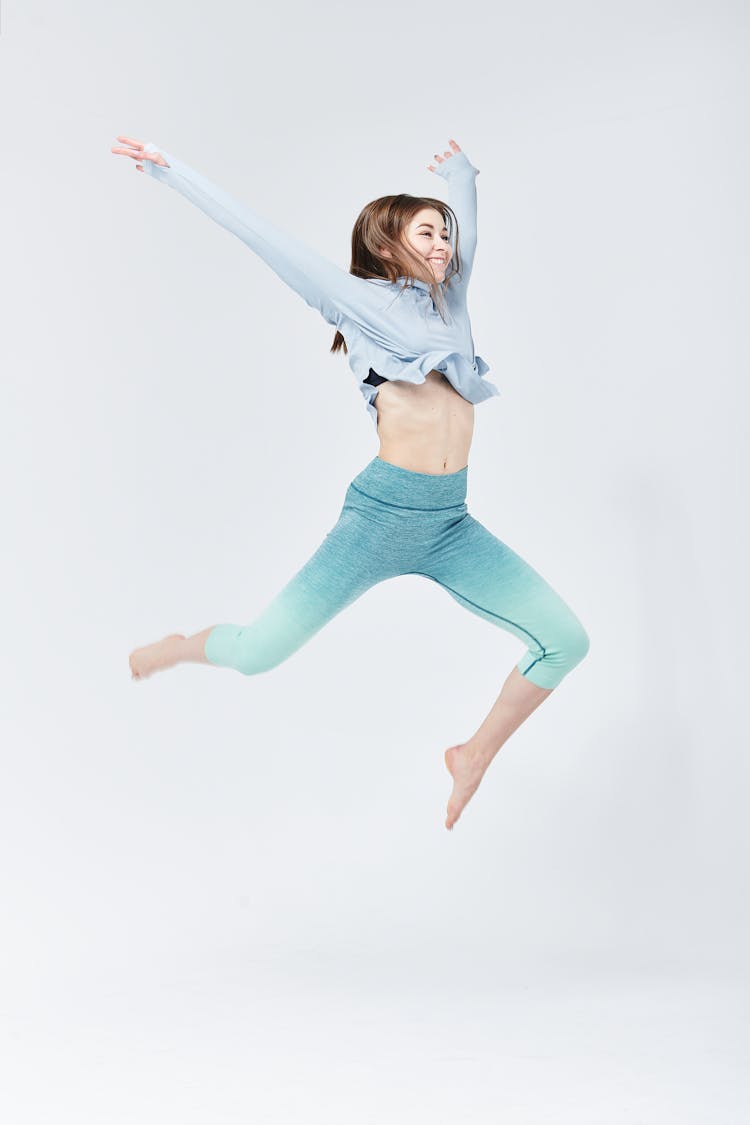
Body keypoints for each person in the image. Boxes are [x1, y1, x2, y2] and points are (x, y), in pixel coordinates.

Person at [112, 133, 590, 830]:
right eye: (427, 233)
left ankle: (473, 754)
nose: (444, 245)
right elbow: (262, 236)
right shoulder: (356, 301)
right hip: (378, 519)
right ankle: (184, 644)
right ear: (388, 243)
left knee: (565, 641)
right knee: (256, 654)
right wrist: (170, 171)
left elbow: (472, 229)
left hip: (451, 526)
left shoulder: (451, 303)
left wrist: (462, 174)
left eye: (445, 234)